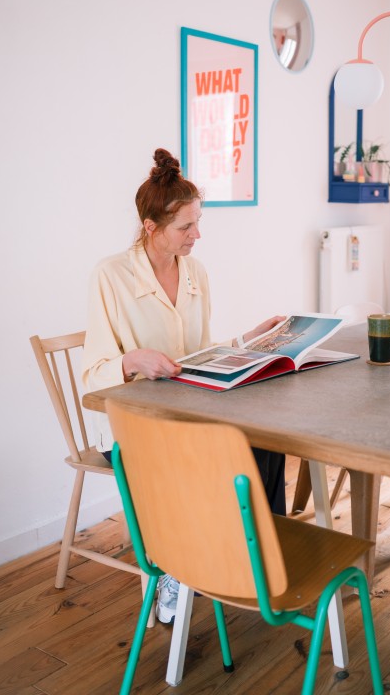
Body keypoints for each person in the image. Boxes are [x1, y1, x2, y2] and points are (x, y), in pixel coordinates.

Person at [81, 148, 286, 623]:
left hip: (196, 413)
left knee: (266, 445)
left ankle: (250, 560)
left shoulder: (196, 272)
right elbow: (92, 377)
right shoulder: (109, 277)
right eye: (186, 227)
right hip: (138, 428)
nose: (198, 235)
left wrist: (247, 340)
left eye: (198, 222)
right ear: (151, 228)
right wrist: (131, 361)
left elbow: (200, 353)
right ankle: (177, 566)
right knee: (210, 460)